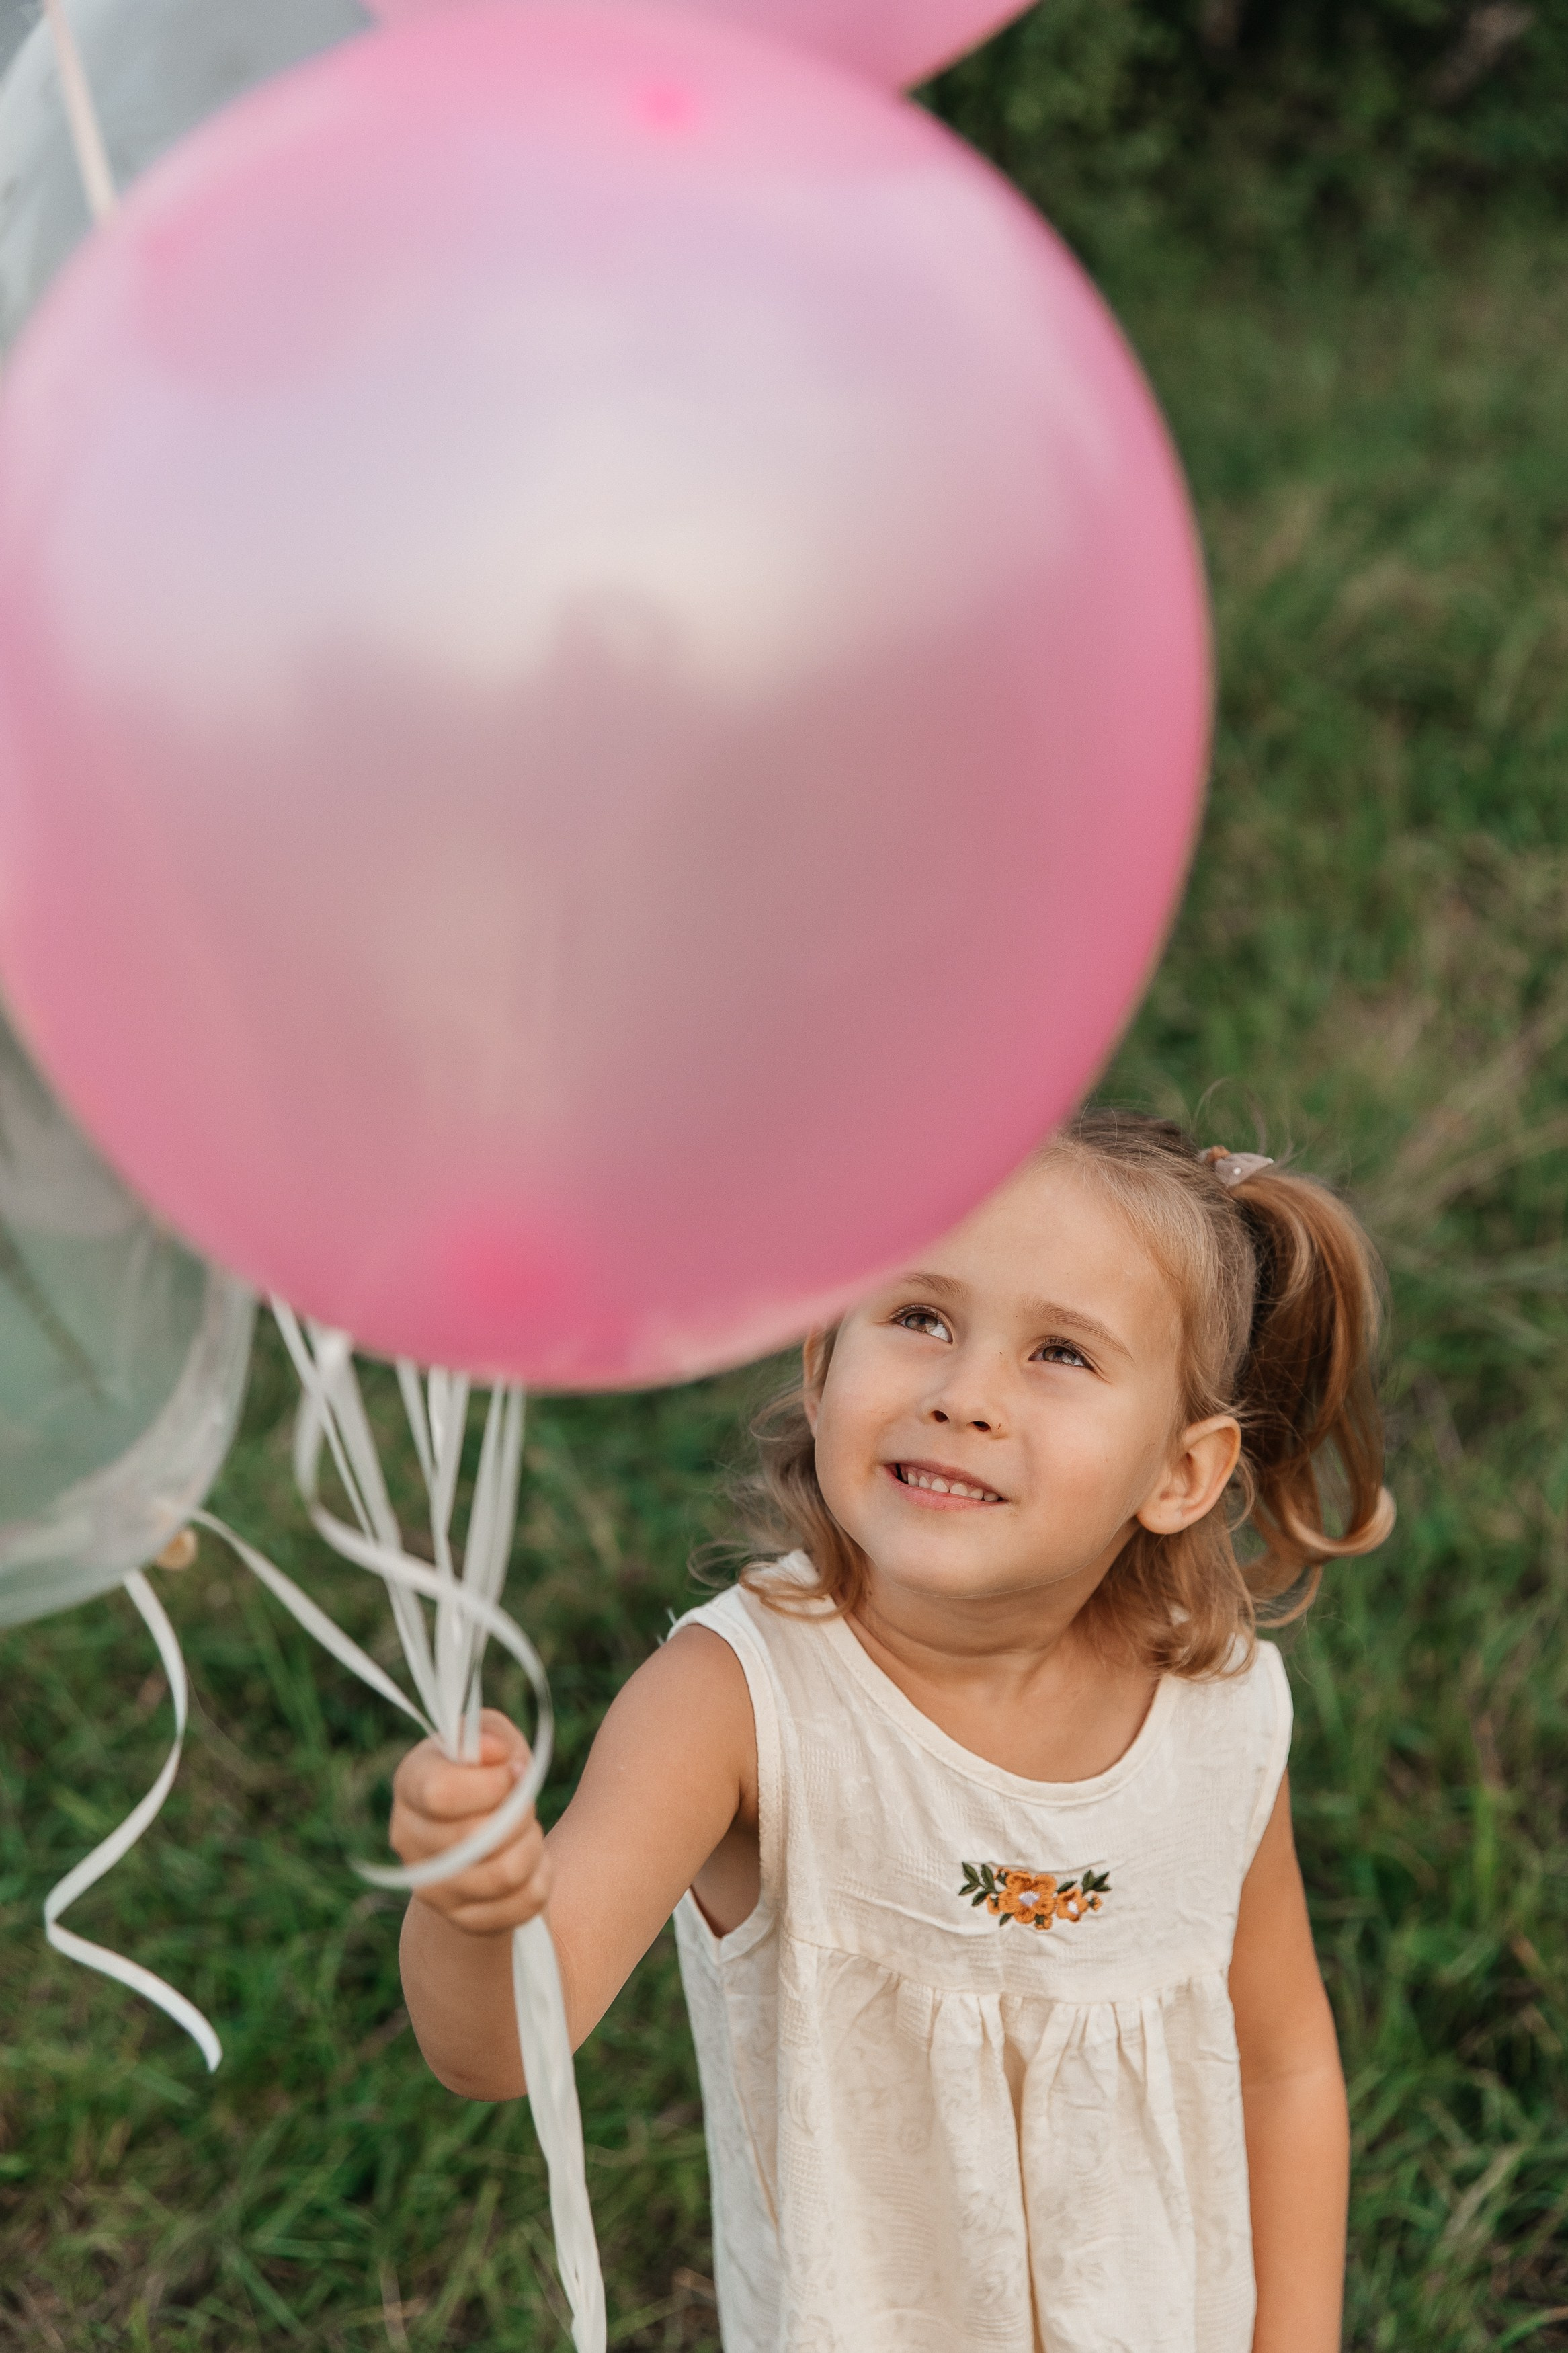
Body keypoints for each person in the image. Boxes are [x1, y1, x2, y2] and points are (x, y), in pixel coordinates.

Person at [390, 1107, 1394, 2353]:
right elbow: (497, 2051)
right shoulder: (732, 1704)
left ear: (1180, 1473)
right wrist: (471, 1902)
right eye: (919, 1317)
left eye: (1061, 1355)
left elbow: (1280, 2064)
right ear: (821, 1362)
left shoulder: (1220, 1713)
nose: (964, 1395)